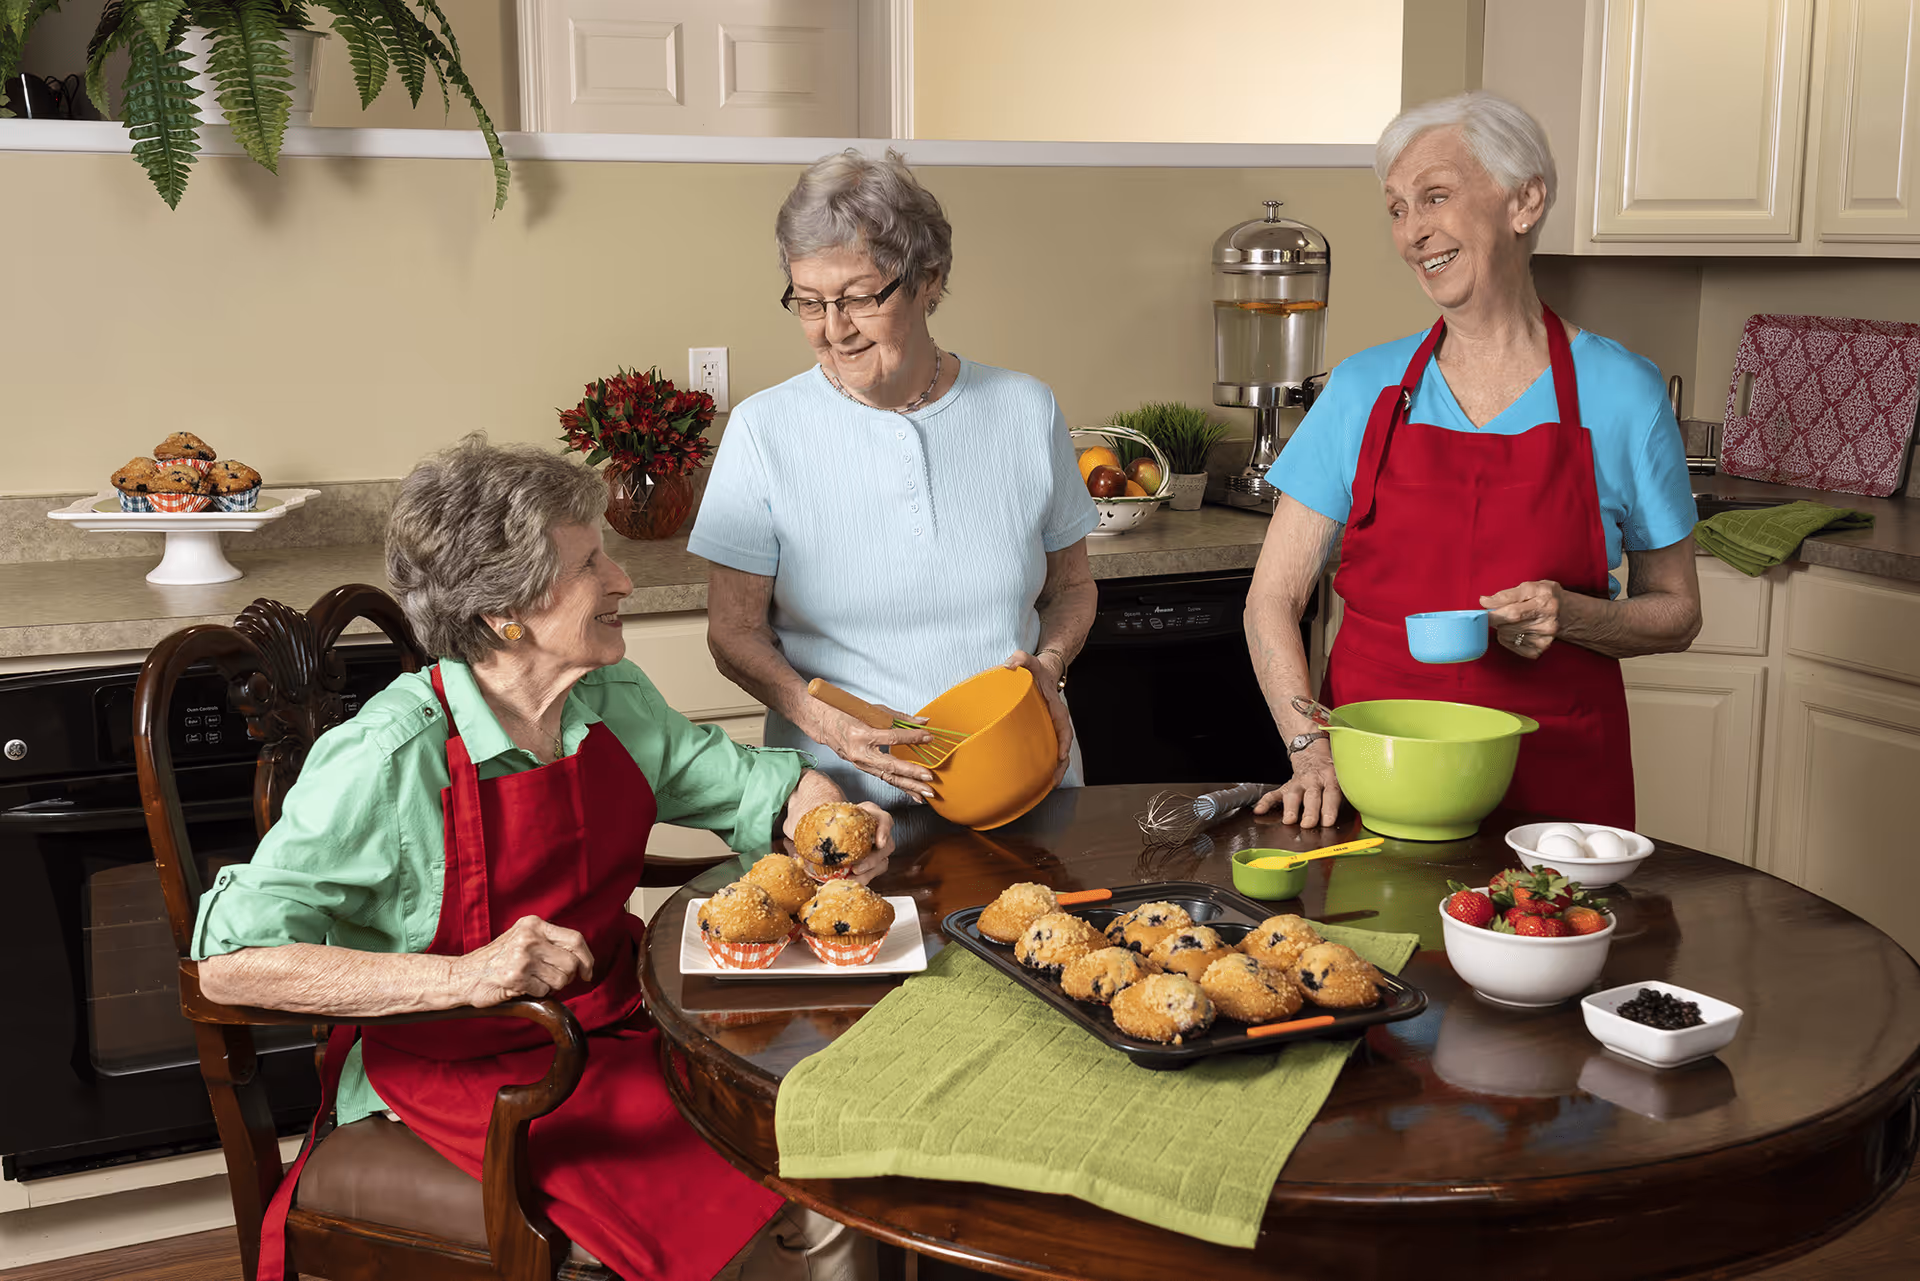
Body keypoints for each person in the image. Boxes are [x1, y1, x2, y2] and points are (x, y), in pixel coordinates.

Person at [191, 436, 892, 1281]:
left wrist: (822, 812)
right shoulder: (388, 757)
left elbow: (759, 788)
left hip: (623, 1029)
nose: (624, 579)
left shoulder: (609, 698)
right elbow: (229, 963)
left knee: (833, 1153)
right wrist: (471, 976)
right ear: (503, 612)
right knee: (752, 1194)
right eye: (592, 562)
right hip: (466, 1073)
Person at [1245, 92, 1702, 830]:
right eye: (1396, 209)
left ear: (1525, 201)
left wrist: (1577, 615)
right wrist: (1311, 751)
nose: (1413, 232)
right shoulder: (1364, 390)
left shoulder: (1622, 393)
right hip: (1377, 784)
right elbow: (1272, 598)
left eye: (1435, 197)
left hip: (1556, 799)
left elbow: (1677, 611)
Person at [690, 149, 1098, 809]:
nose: (833, 330)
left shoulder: (1027, 409)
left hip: (1028, 785)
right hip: (846, 802)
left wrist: (1048, 668)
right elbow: (731, 633)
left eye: (857, 297)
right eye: (810, 302)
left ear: (928, 279)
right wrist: (828, 725)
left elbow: (1073, 590)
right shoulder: (763, 431)